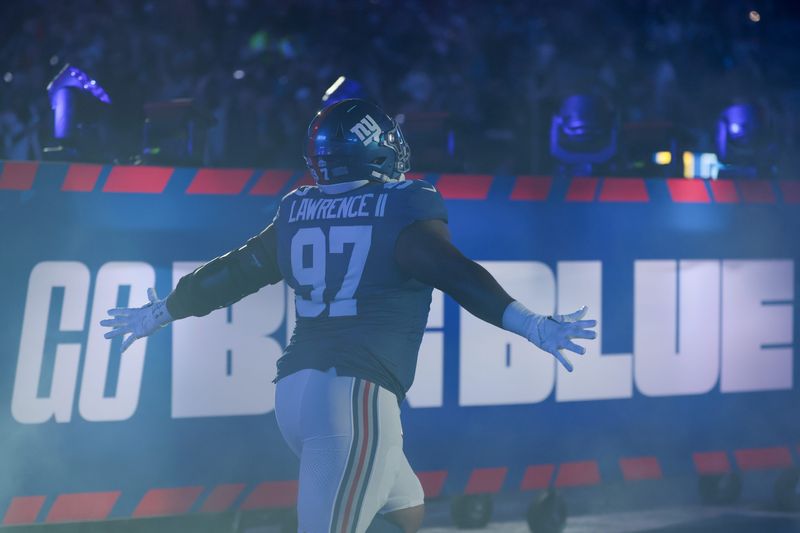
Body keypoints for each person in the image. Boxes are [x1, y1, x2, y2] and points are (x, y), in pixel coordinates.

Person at [100, 98, 597, 533]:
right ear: (377, 147)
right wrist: (532, 324)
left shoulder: (298, 208)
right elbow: (457, 274)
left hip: (296, 395)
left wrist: (164, 310)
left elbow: (235, 272)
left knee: (406, 511)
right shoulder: (400, 205)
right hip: (354, 397)